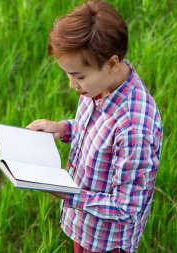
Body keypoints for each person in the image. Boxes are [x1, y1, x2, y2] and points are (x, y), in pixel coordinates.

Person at [26, 0, 163, 252]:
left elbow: (126, 208)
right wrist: (62, 128)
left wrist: (68, 194)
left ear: (111, 64)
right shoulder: (98, 87)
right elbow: (96, 129)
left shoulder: (134, 129)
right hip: (87, 224)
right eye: (68, 75)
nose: (71, 85)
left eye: (78, 76)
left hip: (107, 240)